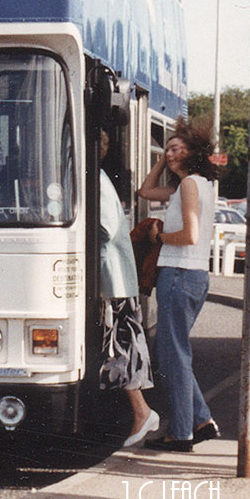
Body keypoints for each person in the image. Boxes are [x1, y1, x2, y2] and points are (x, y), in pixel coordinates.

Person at [137, 117, 220, 452]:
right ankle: (200, 421)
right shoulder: (196, 185)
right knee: (176, 353)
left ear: (193, 151)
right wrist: (160, 161)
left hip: (179, 273)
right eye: (167, 149)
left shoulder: (188, 186)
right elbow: (144, 191)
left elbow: (189, 235)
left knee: (171, 356)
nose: (170, 154)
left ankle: (181, 433)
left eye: (175, 149)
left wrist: (159, 236)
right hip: (193, 275)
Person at [97, 130, 159, 448]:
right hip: (115, 277)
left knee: (119, 347)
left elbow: (105, 226)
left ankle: (142, 412)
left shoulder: (95, 179)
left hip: (114, 278)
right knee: (120, 346)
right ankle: (141, 411)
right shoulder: (97, 176)